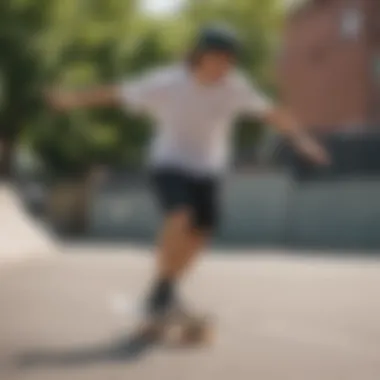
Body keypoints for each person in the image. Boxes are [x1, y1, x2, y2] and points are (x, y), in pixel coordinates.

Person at [45, 25, 330, 320]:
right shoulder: (168, 82)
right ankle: (161, 293)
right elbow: (118, 94)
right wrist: (71, 100)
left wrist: (303, 141)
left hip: (208, 168)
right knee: (180, 215)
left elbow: (272, 114)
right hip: (170, 162)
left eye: (230, 61)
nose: (223, 67)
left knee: (201, 234)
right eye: (217, 59)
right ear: (200, 55)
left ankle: (164, 289)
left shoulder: (236, 86)